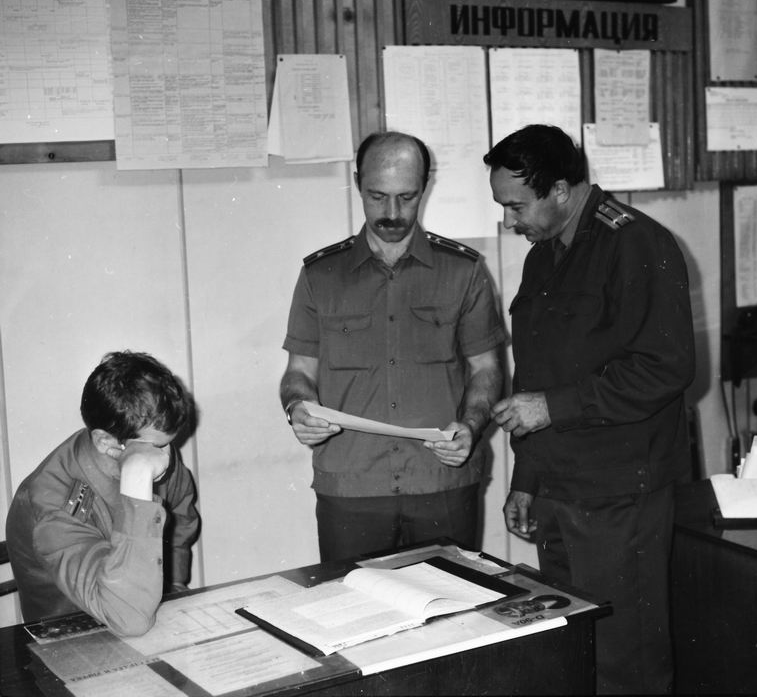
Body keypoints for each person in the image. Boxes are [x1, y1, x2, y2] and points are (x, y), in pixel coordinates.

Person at [484, 125, 695, 695]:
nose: (509, 221)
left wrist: (553, 408)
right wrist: (527, 479)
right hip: (559, 493)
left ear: (559, 189)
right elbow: (535, 374)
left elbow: (665, 367)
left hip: (619, 497)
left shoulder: (637, 244)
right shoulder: (544, 256)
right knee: (574, 656)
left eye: (516, 206)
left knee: (627, 663)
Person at [280, 130, 505, 562]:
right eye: (377, 197)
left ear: (425, 186)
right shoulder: (321, 276)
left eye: (407, 197)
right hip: (351, 487)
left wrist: (472, 425)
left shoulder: (464, 272)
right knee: (351, 600)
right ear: (357, 183)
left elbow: (486, 369)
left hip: (441, 481)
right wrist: (297, 409)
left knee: (453, 602)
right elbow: (299, 372)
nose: (392, 213)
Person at [6, 351, 200, 637]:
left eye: (168, 444)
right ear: (106, 442)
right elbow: (128, 618)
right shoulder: (50, 502)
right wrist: (136, 481)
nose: (166, 458)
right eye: (157, 448)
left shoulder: (156, 451)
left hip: (144, 621)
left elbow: (181, 521)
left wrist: (174, 590)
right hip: (72, 639)